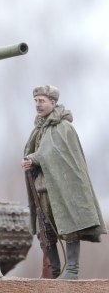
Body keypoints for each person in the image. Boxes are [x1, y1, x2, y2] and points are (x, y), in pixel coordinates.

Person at [22, 85, 105, 280]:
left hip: (62, 189)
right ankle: (53, 270)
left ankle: (72, 271)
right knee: (45, 232)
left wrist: (34, 158)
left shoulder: (64, 127)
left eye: (42, 101)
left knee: (69, 225)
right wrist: (31, 163)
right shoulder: (38, 129)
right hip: (42, 189)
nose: (38, 104)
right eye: (36, 101)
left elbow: (55, 153)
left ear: (53, 102)